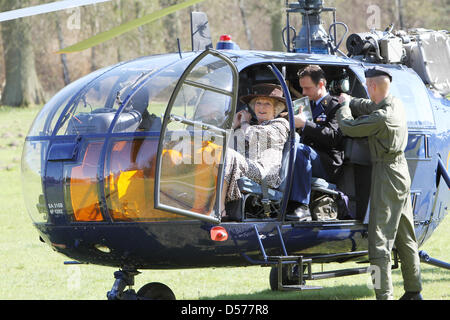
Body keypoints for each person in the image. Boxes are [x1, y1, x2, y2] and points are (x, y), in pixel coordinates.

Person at [336, 66, 422, 300]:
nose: (366, 89)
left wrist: (343, 107)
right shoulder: (394, 103)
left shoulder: (382, 118)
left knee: (379, 241)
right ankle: (414, 291)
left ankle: (384, 295)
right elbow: (370, 105)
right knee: (405, 235)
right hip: (400, 171)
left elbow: (349, 127)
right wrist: (352, 100)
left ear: (372, 86)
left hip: (386, 173)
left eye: (367, 86)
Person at [282, 65, 344, 220]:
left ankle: (301, 205)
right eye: (302, 88)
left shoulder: (335, 106)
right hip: (307, 158)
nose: (303, 92)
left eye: (307, 88)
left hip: (327, 163)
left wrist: (305, 124)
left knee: (301, 149)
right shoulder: (307, 105)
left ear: (321, 84)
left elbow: (333, 137)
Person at [220, 83, 289, 216]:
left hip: (265, 174)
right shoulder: (248, 127)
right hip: (245, 169)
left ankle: (220, 209)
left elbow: (254, 137)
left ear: (276, 108)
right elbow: (224, 145)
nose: (261, 107)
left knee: (228, 156)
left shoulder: (280, 125)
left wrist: (244, 122)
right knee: (215, 152)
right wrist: (233, 125)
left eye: (267, 103)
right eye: (258, 103)